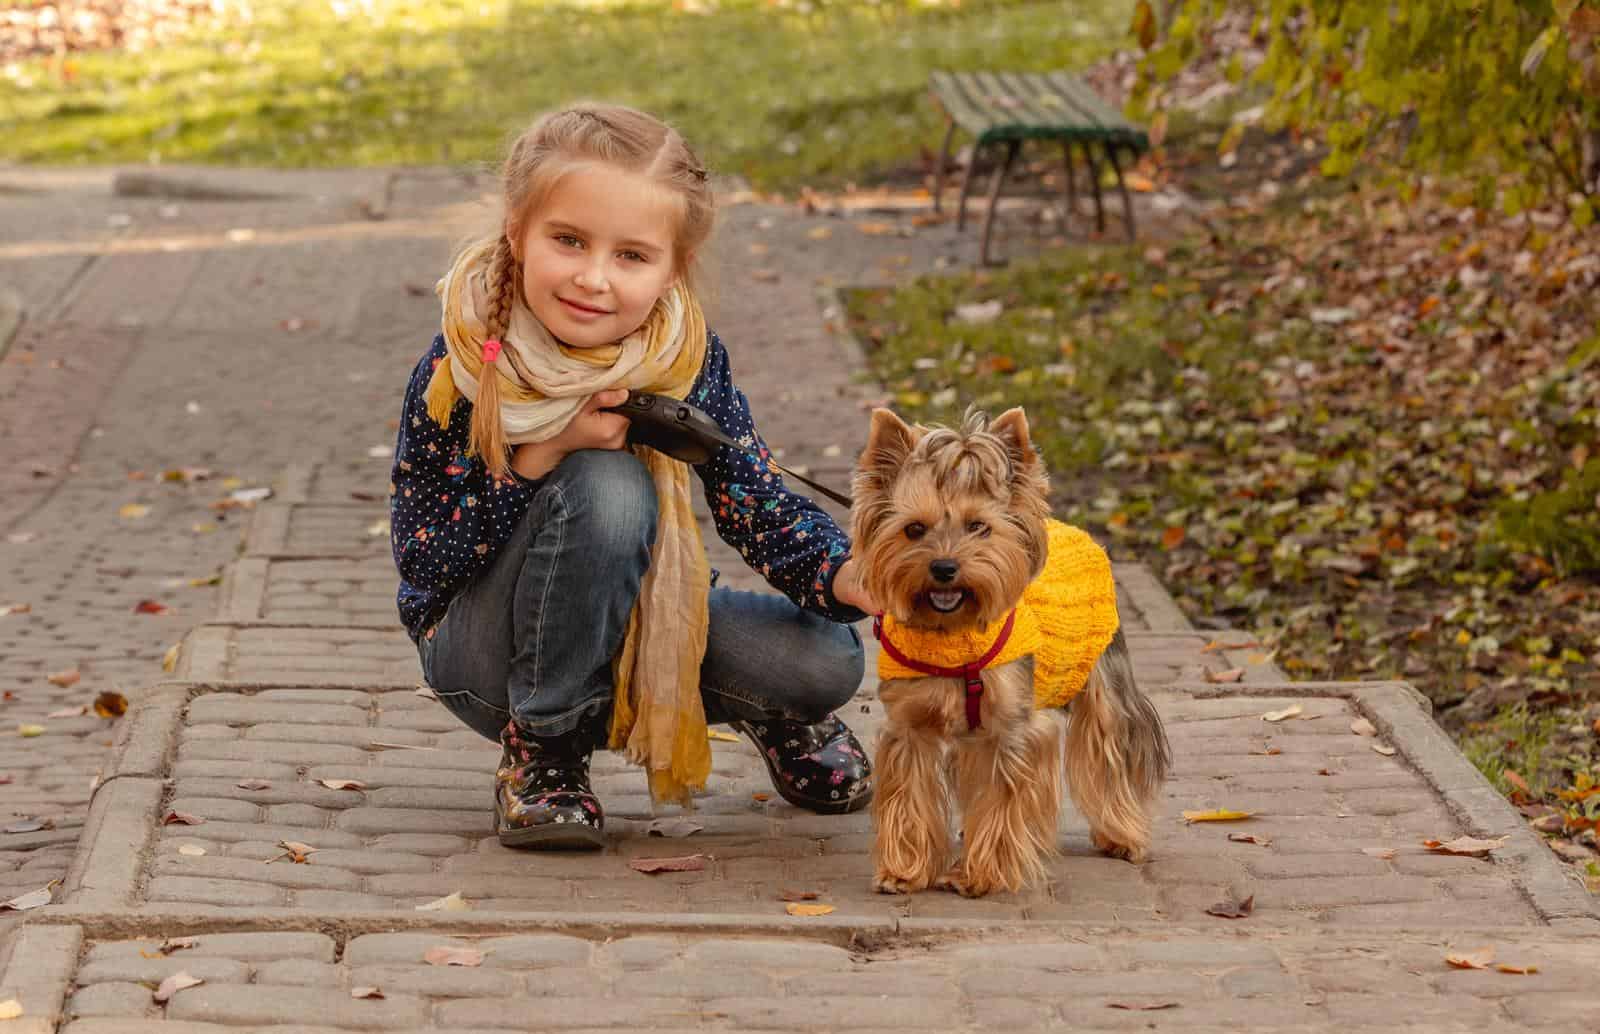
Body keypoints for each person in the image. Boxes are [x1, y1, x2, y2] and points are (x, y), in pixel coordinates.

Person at [389, 102, 879, 851]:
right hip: (486, 656)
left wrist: (841, 573)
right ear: (517, 231)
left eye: (630, 256)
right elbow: (424, 560)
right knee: (606, 486)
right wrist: (538, 457)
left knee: (826, 657)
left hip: (639, 616)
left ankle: (772, 709)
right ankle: (545, 751)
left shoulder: (682, 357)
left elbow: (751, 490)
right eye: (569, 240)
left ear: (672, 267)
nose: (593, 278)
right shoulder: (462, 365)